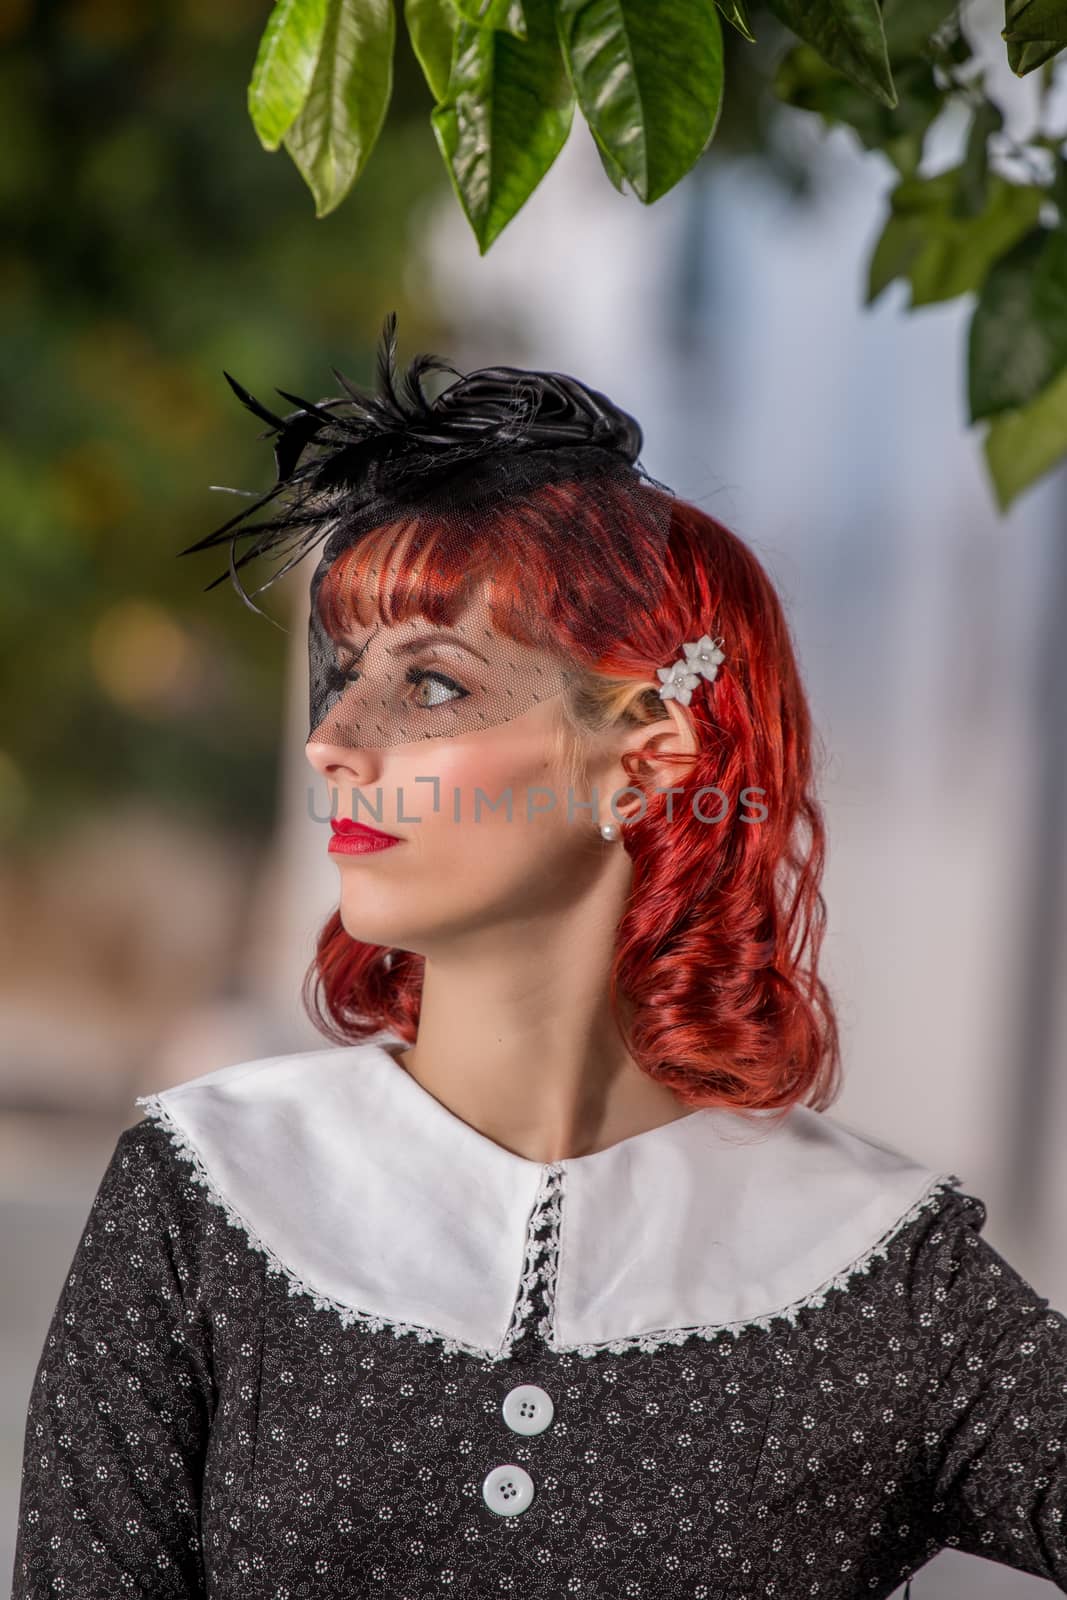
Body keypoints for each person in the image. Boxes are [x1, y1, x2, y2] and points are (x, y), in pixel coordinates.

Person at [11, 315, 1067, 1600]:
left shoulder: (877, 1273)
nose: (333, 743)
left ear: (648, 751)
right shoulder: (209, 1188)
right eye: (341, 678)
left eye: (434, 683)